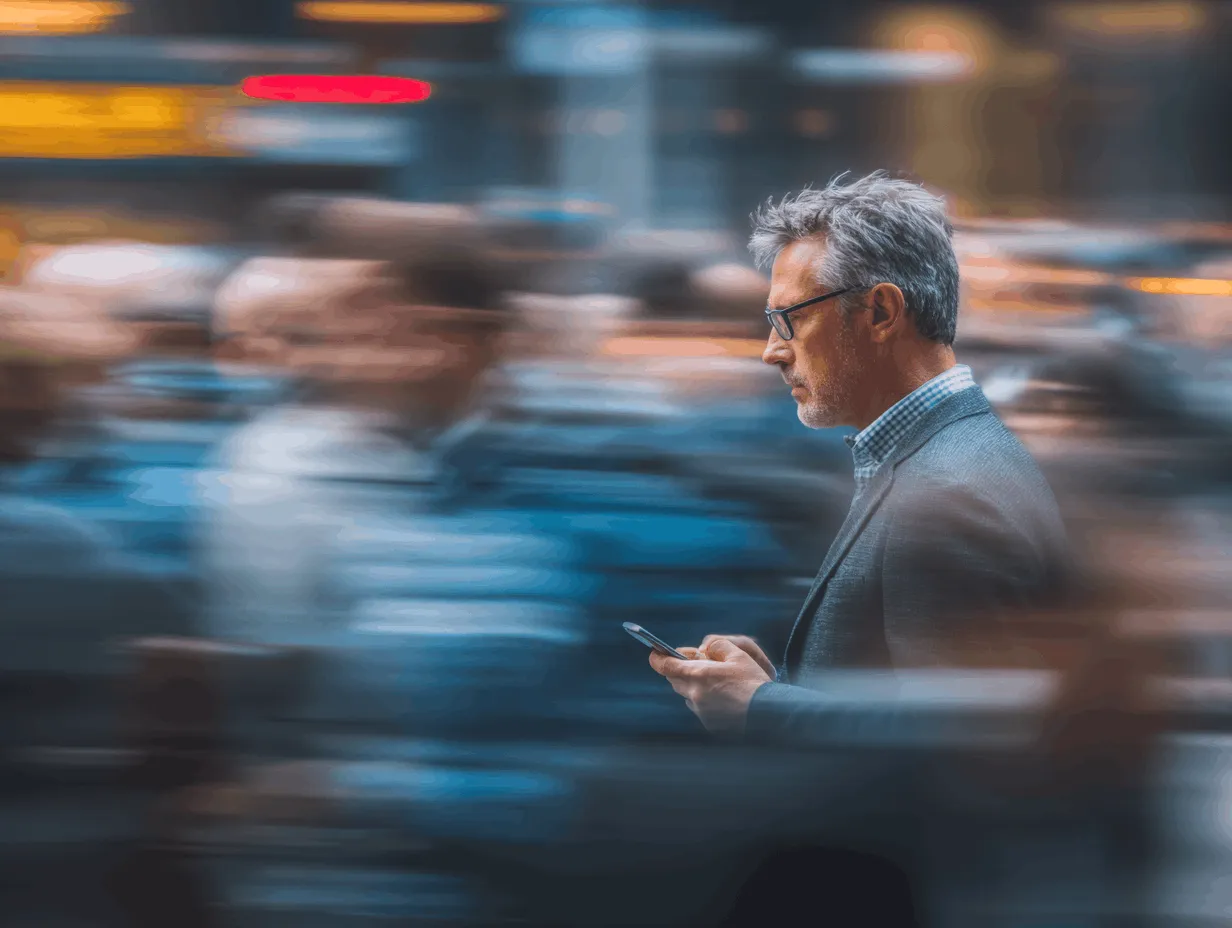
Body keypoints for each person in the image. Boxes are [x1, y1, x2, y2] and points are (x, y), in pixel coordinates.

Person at [647, 170, 1072, 736]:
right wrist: (770, 687)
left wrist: (762, 708)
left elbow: (965, 740)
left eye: (789, 320)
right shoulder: (945, 452)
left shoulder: (950, 490)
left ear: (880, 313)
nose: (772, 351)